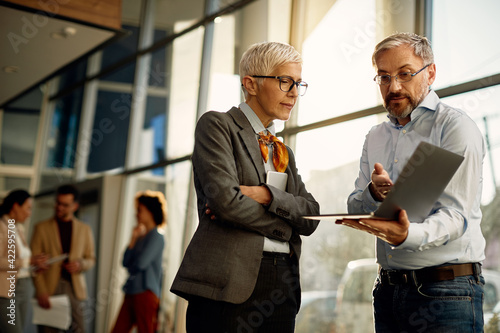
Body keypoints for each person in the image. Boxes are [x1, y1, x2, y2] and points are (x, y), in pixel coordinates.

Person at [338, 32, 486, 332]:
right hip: (387, 291)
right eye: (383, 77)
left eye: (405, 74)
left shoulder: (454, 128)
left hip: (446, 293)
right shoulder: (375, 137)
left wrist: (406, 236)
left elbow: (456, 216)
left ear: (430, 72)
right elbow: (354, 204)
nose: (393, 87)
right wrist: (373, 193)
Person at [170, 41, 320, 333]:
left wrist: (265, 195)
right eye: (285, 81)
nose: (293, 92)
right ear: (250, 84)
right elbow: (226, 203)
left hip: (283, 281)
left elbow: (311, 214)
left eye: (298, 84)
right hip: (228, 282)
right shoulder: (217, 126)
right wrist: (285, 225)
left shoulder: (282, 151)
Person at [31, 184, 96, 333]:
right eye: (58, 203)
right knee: (48, 330)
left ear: (75, 206)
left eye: (65, 205)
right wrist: (41, 291)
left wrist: (80, 264)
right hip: (49, 287)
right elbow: (34, 264)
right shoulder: (40, 228)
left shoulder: (84, 229)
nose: (59, 207)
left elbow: (91, 258)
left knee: (79, 329)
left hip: (74, 287)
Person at [111, 190, 166, 333]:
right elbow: (124, 262)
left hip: (145, 292)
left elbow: (140, 263)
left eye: (140, 210)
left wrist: (132, 264)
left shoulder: (157, 237)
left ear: (150, 211)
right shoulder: (140, 236)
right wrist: (133, 238)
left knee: (145, 330)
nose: (137, 214)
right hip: (131, 290)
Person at [0, 189, 47, 333]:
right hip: (8, 290)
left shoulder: (17, 228)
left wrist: (34, 266)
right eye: (28, 208)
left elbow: (22, 261)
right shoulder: (1, 226)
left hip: (24, 285)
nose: (29, 213)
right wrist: (28, 262)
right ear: (15, 206)